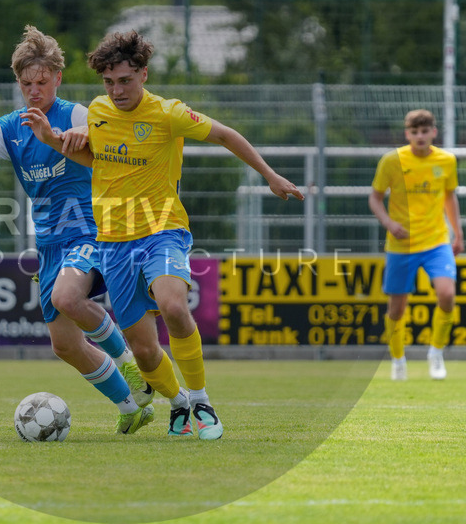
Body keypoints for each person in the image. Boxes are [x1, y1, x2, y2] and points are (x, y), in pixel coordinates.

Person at [28, 30, 304, 440]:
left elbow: (226, 135)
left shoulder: (168, 113)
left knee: (174, 307)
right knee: (142, 349)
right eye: (109, 82)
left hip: (163, 232)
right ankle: (178, 406)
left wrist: (270, 175)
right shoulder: (99, 113)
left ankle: (201, 400)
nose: (117, 90)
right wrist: (53, 140)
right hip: (114, 243)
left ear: (143, 74)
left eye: (125, 80)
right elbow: (95, 158)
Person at [0, 26, 155, 435]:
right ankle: (131, 407)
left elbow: (108, 157)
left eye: (42, 83)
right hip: (48, 245)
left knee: (67, 297)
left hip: (90, 233)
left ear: (57, 79)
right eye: (26, 84)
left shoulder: (79, 115)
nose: (34, 91)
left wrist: (73, 137)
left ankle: (130, 364)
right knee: (64, 345)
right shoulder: (7, 128)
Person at [368, 109, 463, 381]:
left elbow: (449, 198)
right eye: (414, 132)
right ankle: (398, 359)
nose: (420, 136)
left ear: (434, 132)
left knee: (446, 294)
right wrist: (389, 223)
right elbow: (374, 198)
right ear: (407, 134)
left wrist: (458, 234)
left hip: (436, 240)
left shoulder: (447, 160)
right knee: (397, 309)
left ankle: (436, 353)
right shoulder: (391, 161)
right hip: (401, 246)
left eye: (425, 131)